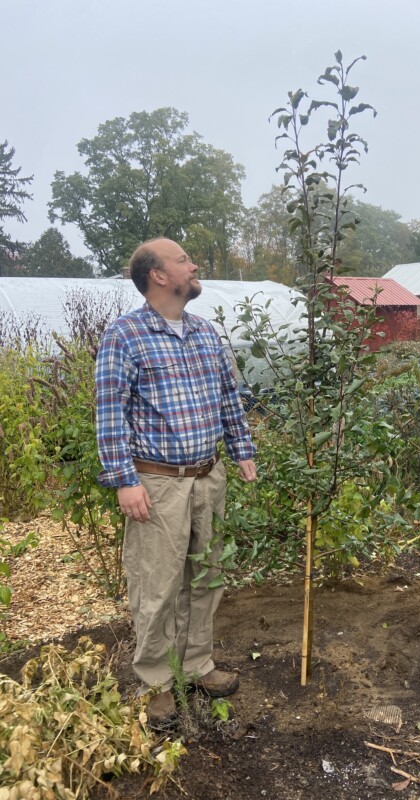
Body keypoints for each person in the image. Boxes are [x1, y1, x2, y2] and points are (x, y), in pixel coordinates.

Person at [95, 237, 257, 727]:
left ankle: (196, 664)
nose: (194, 264)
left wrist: (241, 450)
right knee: (157, 585)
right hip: (157, 482)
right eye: (184, 260)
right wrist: (124, 481)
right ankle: (157, 682)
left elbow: (230, 396)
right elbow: (109, 413)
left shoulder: (206, 332)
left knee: (207, 576)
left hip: (209, 476)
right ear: (159, 276)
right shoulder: (124, 335)